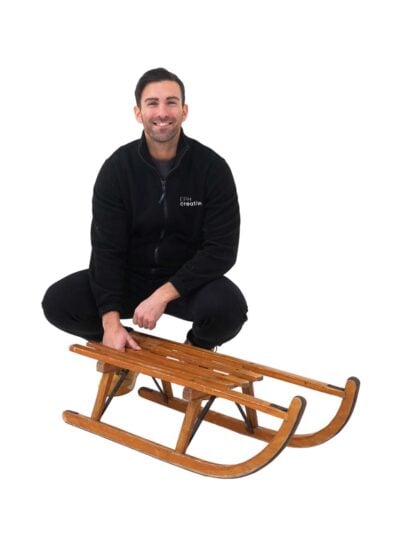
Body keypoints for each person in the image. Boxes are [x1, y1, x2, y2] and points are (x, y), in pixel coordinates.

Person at [42, 68, 248, 388]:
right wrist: (110, 322)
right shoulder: (117, 169)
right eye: (152, 103)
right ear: (138, 113)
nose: (162, 112)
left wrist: (163, 295)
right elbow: (107, 250)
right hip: (130, 277)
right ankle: (124, 347)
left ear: (184, 110)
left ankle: (195, 352)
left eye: (171, 102)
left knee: (230, 309)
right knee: (59, 301)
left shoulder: (212, 169)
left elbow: (221, 250)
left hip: (186, 283)